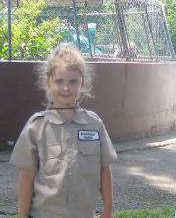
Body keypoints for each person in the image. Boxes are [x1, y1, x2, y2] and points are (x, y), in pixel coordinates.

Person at [9, 43, 117, 218]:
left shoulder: (94, 125)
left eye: (73, 81)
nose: (66, 88)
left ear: (82, 83)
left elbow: (105, 171)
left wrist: (107, 212)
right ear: (48, 82)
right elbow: (26, 177)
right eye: (59, 81)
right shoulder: (36, 127)